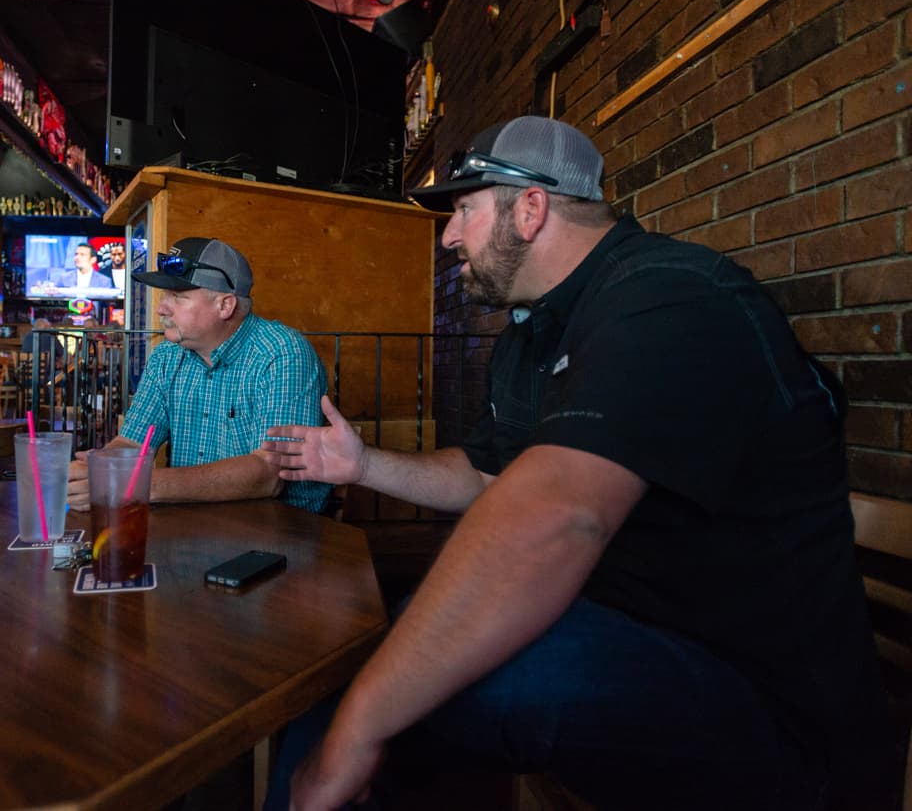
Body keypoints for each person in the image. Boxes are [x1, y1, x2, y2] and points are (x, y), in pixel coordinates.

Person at [261, 116, 893, 810]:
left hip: (769, 714)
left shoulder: (672, 294)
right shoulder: (533, 334)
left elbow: (557, 515)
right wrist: (363, 466)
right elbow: (487, 477)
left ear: (529, 208)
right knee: (384, 657)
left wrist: (354, 731)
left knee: (412, 688)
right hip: (631, 640)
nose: (447, 237)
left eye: (464, 209)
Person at [67, 236, 330, 514]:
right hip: (188, 526)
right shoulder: (167, 355)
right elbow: (133, 441)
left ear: (225, 306)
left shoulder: (282, 353)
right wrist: (103, 467)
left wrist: (134, 484)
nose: (161, 308)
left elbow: (269, 474)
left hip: (281, 533)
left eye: (178, 296)